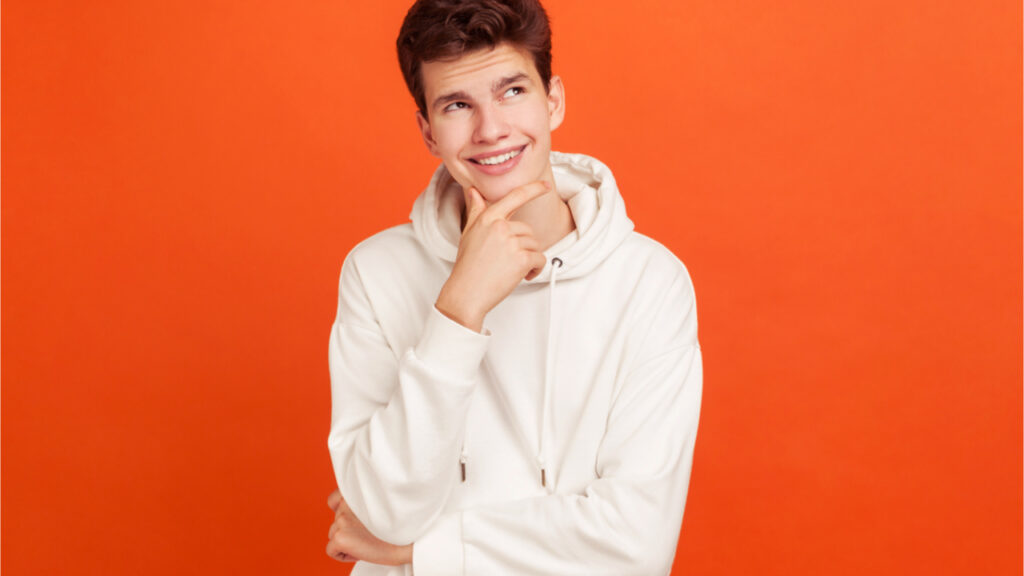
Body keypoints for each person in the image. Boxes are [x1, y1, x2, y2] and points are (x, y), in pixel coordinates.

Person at [325, 0, 702, 573]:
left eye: (512, 92)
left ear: (553, 100)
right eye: (457, 105)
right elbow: (382, 514)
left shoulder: (649, 282)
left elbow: (636, 546)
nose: (491, 129)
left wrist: (420, 554)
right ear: (428, 130)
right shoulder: (375, 272)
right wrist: (460, 308)